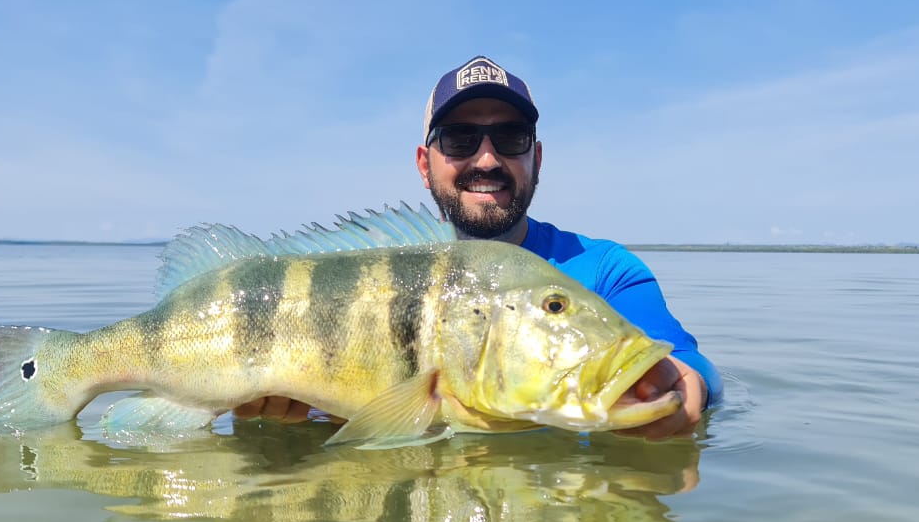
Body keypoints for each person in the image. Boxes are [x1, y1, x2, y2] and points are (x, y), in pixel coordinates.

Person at [236, 55, 722, 438]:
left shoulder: (604, 270)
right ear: (425, 164)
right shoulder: (362, 267)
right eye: (460, 138)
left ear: (537, 157)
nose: (486, 158)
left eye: (511, 137)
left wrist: (686, 383)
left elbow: (688, 365)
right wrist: (265, 422)